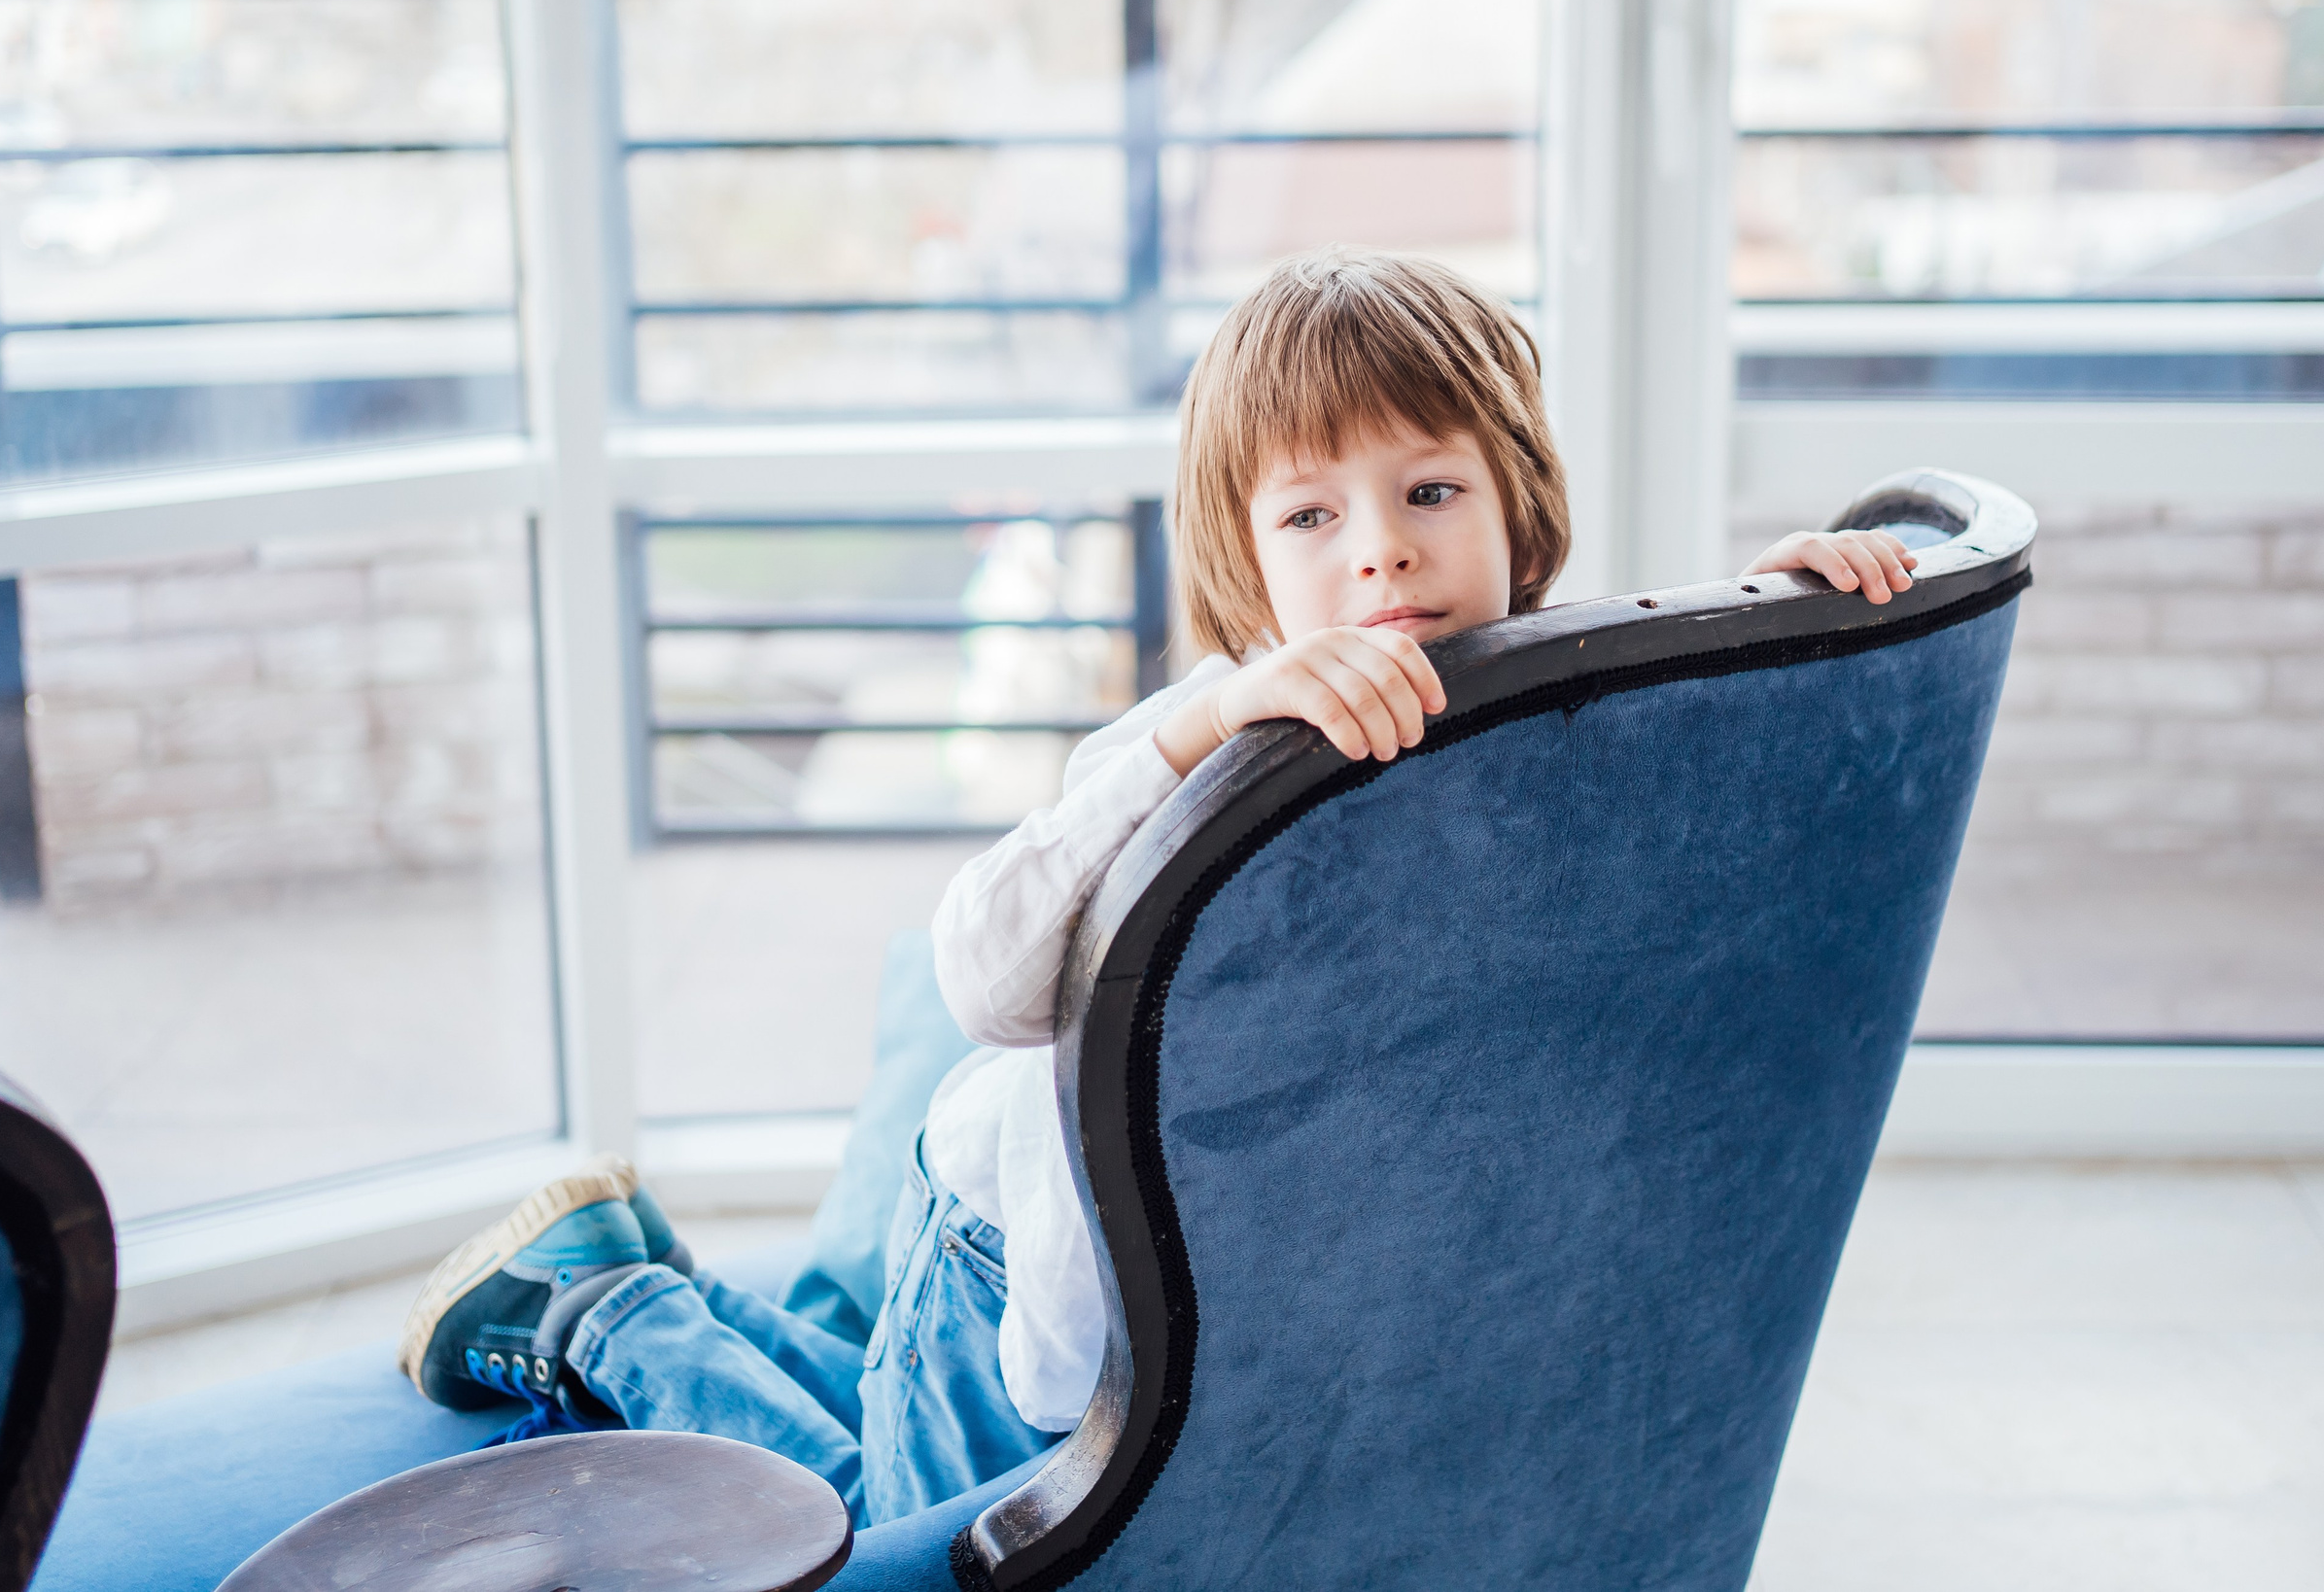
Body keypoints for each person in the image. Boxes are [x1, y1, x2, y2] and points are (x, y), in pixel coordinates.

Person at [397, 246, 1919, 1525]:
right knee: (899, 1538)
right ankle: (610, 1310)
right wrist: (1199, 730)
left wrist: (1781, 622)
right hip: (1018, 1269)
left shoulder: (1551, 705)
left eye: (1430, 490)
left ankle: (668, 1296)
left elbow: (1703, 817)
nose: (1382, 555)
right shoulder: (1207, 740)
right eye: (1312, 516)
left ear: (1518, 508)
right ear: (1248, 572)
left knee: (918, 1468)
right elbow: (983, 975)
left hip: (1233, 1291)